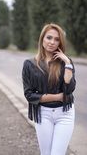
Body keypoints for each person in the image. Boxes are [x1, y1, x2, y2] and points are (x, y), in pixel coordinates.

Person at [22, 23, 76, 155]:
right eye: (49, 37)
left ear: (60, 43)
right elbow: (29, 95)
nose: (52, 42)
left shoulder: (65, 61)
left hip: (65, 113)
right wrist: (57, 97)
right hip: (43, 114)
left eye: (56, 39)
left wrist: (68, 65)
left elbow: (69, 90)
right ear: (42, 39)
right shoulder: (29, 64)